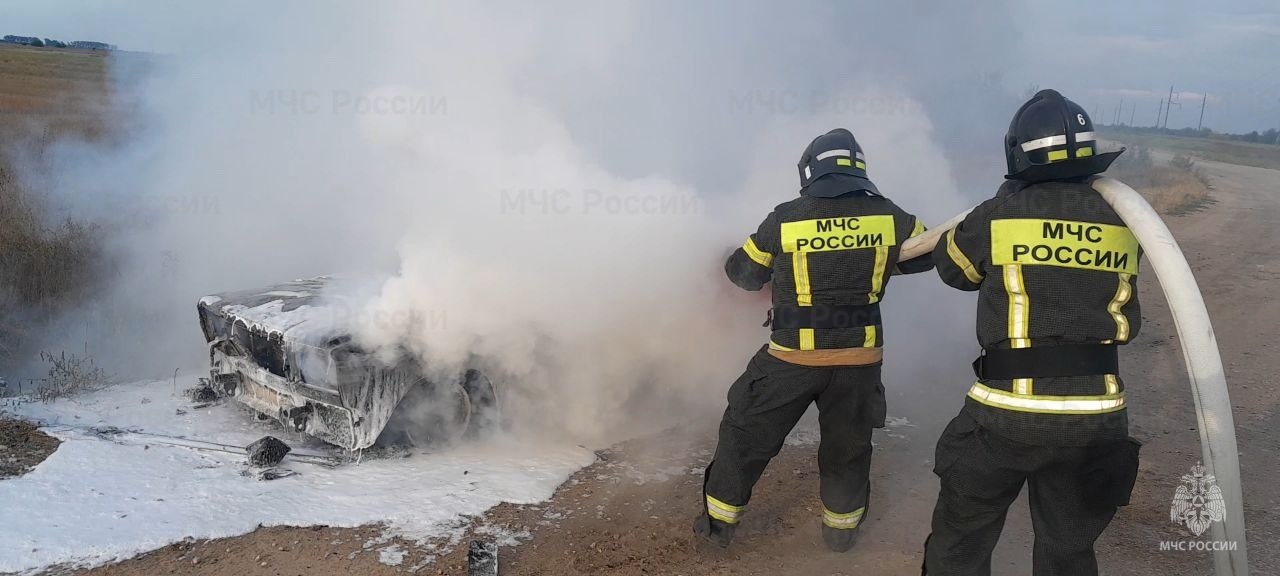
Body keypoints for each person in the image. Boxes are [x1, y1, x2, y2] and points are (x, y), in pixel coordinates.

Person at [922, 89, 1144, 575]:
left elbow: (952, 268)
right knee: (1069, 550)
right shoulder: (1127, 218)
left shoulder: (999, 214)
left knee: (962, 539)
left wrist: (1004, 201)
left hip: (1006, 415)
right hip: (1097, 418)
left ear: (1017, 153)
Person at [695, 128, 933, 552]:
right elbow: (925, 255)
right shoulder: (891, 216)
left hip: (793, 359)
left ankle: (717, 528)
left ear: (810, 171)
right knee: (848, 447)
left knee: (746, 433)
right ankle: (841, 535)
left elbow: (743, 275)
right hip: (860, 361)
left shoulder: (786, 218)